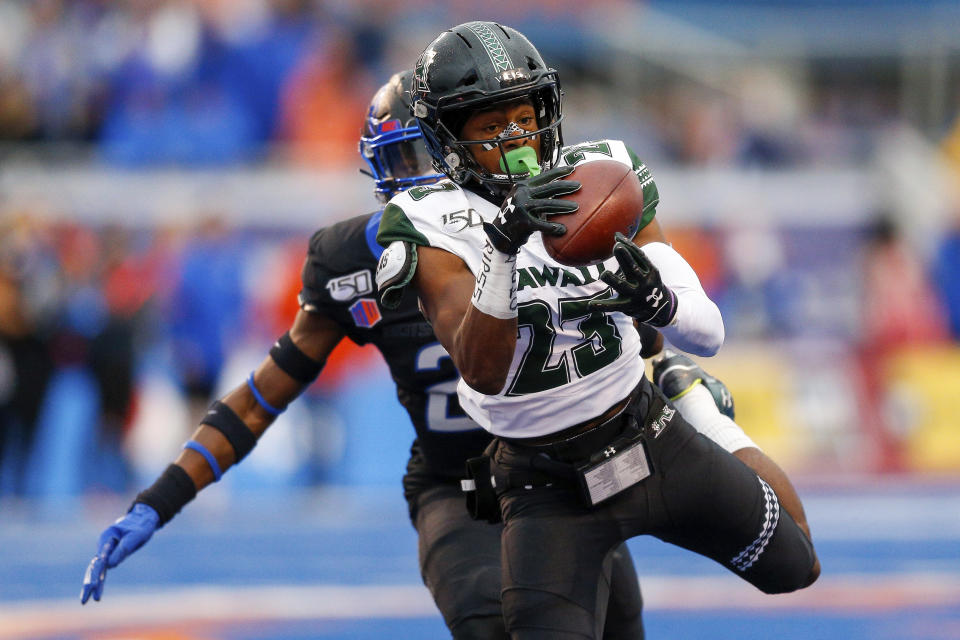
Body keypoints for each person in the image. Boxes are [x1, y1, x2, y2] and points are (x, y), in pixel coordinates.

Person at [79, 70, 648, 640]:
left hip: (562, 476)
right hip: (461, 487)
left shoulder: (554, 231)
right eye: (398, 162)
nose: (414, 184)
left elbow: (645, 340)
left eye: (424, 158)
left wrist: (677, 379)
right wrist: (160, 499)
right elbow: (262, 397)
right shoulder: (354, 258)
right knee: (489, 622)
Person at [375, 22, 819, 639]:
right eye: (488, 125)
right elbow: (484, 371)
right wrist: (503, 246)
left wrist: (657, 301)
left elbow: (707, 330)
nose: (516, 138)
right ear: (449, 140)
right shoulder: (428, 222)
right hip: (542, 480)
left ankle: (697, 407)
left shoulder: (604, 174)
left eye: (524, 114)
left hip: (649, 432)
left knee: (795, 563)